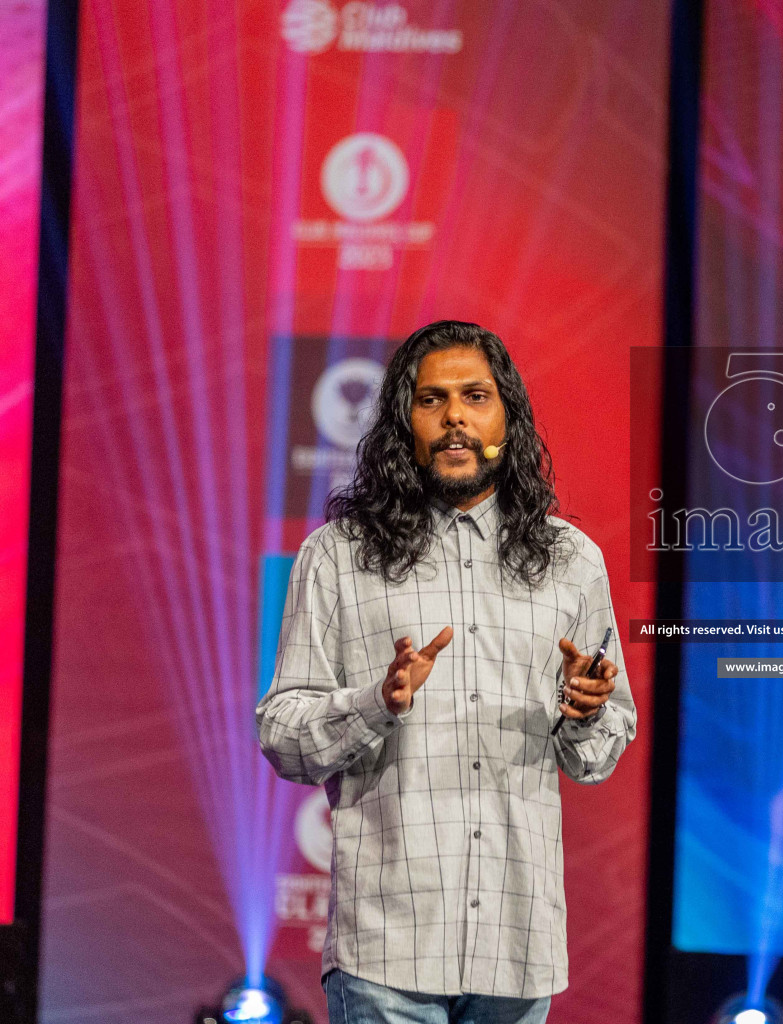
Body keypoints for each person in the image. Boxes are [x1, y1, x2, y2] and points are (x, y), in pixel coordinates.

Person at [257, 320, 636, 1024]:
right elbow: (281, 733)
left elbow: (603, 745)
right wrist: (375, 701)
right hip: (386, 951)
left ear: (507, 416)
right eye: (432, 400)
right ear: (403, 421)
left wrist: (584, 712)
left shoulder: (571, 560)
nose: (455, 417)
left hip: (516, 947)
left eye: (475, 396)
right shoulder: (338, 556)